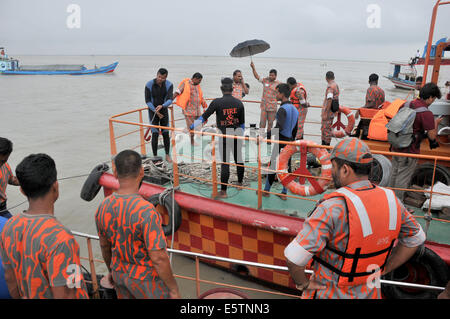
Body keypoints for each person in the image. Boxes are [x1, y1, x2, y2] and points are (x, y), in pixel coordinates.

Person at [284, 137, 426, 299]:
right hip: (371, 293)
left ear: (345, 169)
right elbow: (416, 237)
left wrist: (303, 283)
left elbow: (294, 258)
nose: (331, 172)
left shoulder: (332, 208)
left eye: (334, 167)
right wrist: (385, 268)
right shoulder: (392, 201)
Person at [0, 153, 89, 299]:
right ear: (55, 187)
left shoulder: (9, 227)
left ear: (22, 190)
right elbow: (66, 294)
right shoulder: (61, 238)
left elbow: (10, 278)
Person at [95, 150, 180, 299]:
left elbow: (104, 247)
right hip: (147, 283)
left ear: (115, 173)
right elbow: (158, 258)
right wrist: (173, 289)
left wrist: (112, 271)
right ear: (141, 172)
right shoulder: (146, 211)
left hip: (120, 276)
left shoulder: (103, 207)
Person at [190, 77, 245, 199]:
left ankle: (224, 192)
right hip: (237, 134)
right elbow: (242, 124)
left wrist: (192, 126)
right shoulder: (239, 103)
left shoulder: (216, 102)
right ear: (232, 89)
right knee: (239, 160)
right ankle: (240, 183)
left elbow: (204, 117)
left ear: (221, 89)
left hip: (223, 135)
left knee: (225, 163)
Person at [388, 82, 443, 202]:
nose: (433, 101)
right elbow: (432, 136)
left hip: (396, 145)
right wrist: (436, 123)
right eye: (433, 98)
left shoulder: (406, 104)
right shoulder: (426, 113)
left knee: (394, 174)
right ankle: (399, 207)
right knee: (402, 179)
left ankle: (389, 203)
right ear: (430, 97)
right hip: (410, 150)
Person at [261, 83, 298, 200]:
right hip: (290, 141)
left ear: (282, 94)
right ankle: (284, 193)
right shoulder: (295, 109)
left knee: (272, 166)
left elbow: (279, 127)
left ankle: (266, 191)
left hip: (280, 141)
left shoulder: (282, 109)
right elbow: (295, 129)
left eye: (277, 93)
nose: (275, 95)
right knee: (286, 167)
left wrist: (265, 135)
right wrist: (291, 141)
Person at [145, 68, 174, 163]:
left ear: (166, 77)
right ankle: (155, 156)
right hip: (153, 111)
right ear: (157, 74)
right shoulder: (149, 85)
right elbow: (148, 101)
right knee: (155, 133)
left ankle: (167, 154)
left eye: (163, 78)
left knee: (165, 133)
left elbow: (170, 99)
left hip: (164, 111)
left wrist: (163, 106)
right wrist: (155, 110)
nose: (160, 79)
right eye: (159, 77)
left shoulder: (169, 84)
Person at [173, 72, 208, 145]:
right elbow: (177, 92)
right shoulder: (186, 84)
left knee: (201, 123)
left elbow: (200, 96)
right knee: (192, 128)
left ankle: (186, 130)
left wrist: (204, 105)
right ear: (195, 79)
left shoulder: (197, 85)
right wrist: (169, 100)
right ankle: (192, 141)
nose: (200, 82)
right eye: (199, 81)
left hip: (197, 110)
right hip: (189, 111)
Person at [250, 61, 280, 141]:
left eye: (272, 75)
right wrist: (253, 68)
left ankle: (269, 139)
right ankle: (260, 138)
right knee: (262, 123)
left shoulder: (278, 84)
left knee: (270, 123)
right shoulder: (265, 80)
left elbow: (285, 92)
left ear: (276, 76)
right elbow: (257, 77)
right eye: (270, 74)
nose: (270, 76)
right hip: (264, 107)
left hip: (272, 108)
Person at [354, 74, 385, 139]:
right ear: (377, 81)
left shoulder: (370, 89)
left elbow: (372, 103)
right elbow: (382, 104)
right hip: (378, 117)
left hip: (369, 117)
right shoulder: (382, 91)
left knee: (362, 131)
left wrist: (360, 109)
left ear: (369, 81)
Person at [0, 137, 19, 219]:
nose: (0, 164)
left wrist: (30, 180)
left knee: (16, 228)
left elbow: (12, 180)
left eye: (3, 161)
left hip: (2, 208)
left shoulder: (5, 165)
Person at [321, 71, 340, 146]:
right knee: (328, 129)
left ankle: (325, 148)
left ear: (326, 78)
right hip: (332, 111)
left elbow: (329, 99)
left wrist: (325, 113)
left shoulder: (330, 87)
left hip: (328, 112)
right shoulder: (336, 85)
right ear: (334, 77)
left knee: (325, 130)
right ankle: (326, 147)